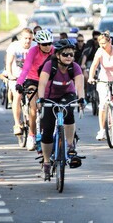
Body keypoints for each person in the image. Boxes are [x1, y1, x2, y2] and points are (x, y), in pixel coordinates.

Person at [36, 39, 86, 181]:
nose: (69, 57)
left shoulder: (74, 67)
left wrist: (81, 99)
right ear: (57, 55)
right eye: (65, 54)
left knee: (69, 112)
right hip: (49, 97)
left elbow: (80, 86)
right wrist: (40, 99)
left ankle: (70, 146)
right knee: (47, 132)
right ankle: (46, 162)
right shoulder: (49, 66)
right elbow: (42, 84)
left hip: (67, 95)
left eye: (71, 54)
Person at [16, 29, 55, 151]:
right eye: (44, 44)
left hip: (48, 81)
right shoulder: (33, 51)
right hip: (33, 80)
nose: (47, 46)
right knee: (33, 107)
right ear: (38, 44)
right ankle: (31, 135)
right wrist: (19, 83)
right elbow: (26, 68)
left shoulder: (55, 51)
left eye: (49, 43)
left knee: (51, 106)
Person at [88, 31, 113, 140]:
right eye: (100, 44)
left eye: (104, 43)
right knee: (102, 104)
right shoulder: (99, 52)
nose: (102, 46)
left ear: (110, 41)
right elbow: (94, 66)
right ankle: (102, 130)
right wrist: (91, 77)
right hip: (104, 79)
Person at [5, 28, 33, 134]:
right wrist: (10, 75)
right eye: (25, 38)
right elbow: (9, 63)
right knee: (17, 95)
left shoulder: (35, 46)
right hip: (16, 77)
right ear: (21, 37)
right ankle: (17, 124)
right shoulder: (14, 46)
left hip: (30, 78)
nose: (28, 41)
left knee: (34, 97)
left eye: (30, 38)